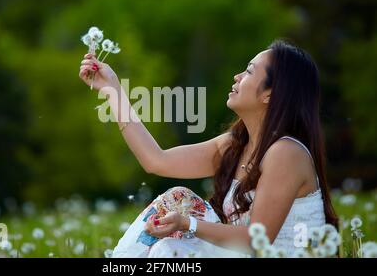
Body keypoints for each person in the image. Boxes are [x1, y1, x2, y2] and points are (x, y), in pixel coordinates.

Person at [79, 40, 338, 257]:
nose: (237, 77)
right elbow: (155, 161)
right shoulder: (235, 145)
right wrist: (112, 89)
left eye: (249, 72)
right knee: (175, 207)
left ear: (270, 94)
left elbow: (257, 240)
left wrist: (187, 223)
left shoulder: (286, 153)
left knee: (171, 247)